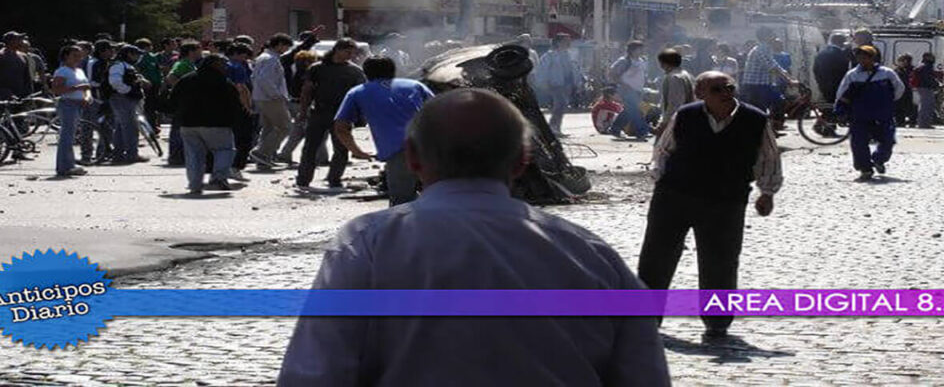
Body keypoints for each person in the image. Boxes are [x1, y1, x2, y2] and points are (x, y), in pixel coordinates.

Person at [277, 88, 670, 386]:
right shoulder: (590, 254)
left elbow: (314, 373)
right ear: (521, 161)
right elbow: (644, 374)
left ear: (412, 158)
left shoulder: (368, 244)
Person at [638, 71, 781, 341]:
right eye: (717, 89)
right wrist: (662, 184)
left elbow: (769, 158)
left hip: (725, 201)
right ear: (700, 94)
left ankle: (717, 321)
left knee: (721, 261)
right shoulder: (686, 115)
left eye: (729, 87)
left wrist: (767, 193)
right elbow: (663, 152)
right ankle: (645, 318)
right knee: (656, 258)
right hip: (675, 197)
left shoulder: (754, 119)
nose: (726, 93)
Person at [332, 56, 434, 205]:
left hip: (400, 151)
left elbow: (341, 128)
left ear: (365, 73)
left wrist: (357, 151)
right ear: (393, 71)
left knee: (402, 203)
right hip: (433, 147)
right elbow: (440, 109)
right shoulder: (415, 85)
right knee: (440, 197)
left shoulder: (358, 92)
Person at [294, 38, 365, 191]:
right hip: (319, 112)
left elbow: (361, 94)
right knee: (310, 148)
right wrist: (302, 111)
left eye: (352, 53)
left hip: (343, 115)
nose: (350, 55)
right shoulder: (317, 68)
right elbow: (307, 91)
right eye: (347, 52)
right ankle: (303, 180)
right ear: (337, 50)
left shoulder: (354, 71)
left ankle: (334, 179)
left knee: (341, 148)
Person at [168, 54, 243, 194]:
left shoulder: (186, 79)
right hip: (217, 124)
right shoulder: (223, 82)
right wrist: (237, 122)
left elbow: (173, 100)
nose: (226, 67)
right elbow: (235, 105)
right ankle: (218, 178)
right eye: (223, 64)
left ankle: (195, 184)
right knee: (224, 150)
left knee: (194, 155)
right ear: (215, 65)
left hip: (188, 124)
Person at [835, 46, 905, 181]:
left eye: (865, 57)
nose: (861, 60)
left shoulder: (887, 73)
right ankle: (865, 168)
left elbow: (899, 88)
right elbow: (841, 93)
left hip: (882, 114)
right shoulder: (852, 75)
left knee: (887, 140)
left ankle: (878, 159)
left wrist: (887, 103)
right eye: (859, 57)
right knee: (858, 142)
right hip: (860, 114)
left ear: (872, 58)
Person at [250, 33, 294, 169]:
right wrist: (276, 94)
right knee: (285, 127)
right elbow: (265, 79)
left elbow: (255, 77)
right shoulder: (270, 59)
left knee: (268, 128)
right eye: (286, 46)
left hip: (261, 97)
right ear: (280, 44)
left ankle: (264, 158)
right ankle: (261, 152)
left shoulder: (263, 57)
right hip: (271, 99)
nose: (286, 50)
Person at [50, 45, 92, 177]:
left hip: (79, 105)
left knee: (71, 136)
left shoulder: (79, 71)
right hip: (68, 104)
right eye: (75, 55)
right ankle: (64, 166)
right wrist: (76, 88)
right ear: (66, 56)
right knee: (66, 136)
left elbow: (86, 88)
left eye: (80, 55)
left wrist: (86, 97)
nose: (78, 58)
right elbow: (56, 90)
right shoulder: (62, 71)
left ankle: (70, 164)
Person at [277, 50, 324, 167]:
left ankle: (285, 154)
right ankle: (321, 158)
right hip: (302, 105)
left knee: (299, 131)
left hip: (294, 103)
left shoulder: (297, 71)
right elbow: (308, 92)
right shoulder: (307, 74)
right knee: (315, 131)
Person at [106, 45, 151, 164]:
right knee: (130, 128)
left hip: (126, 99)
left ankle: (118, 155)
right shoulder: (118, 65)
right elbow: (115, 82)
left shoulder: (127, 66)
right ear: (129, 54)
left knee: (121, 128)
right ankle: (132, 154)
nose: (138, 57)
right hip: (122, 99)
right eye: (136, 54)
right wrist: (128, 91)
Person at [739, 27, 794, 114]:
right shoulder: (761, 49)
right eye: (772, 34)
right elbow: (772, 68)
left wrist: (790, 78)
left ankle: (773, 124)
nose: (775, 36)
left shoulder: (767, 49)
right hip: (755, 86)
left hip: (764, 85)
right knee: (761, 111)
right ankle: (767, 125)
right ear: (766, 37)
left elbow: (777, 66)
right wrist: (789, 80)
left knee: (780, 101)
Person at [164, 41, 203, 165]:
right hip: (183, 102)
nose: (200, 53)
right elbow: (171, 77)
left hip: (189, 101)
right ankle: (176, 156)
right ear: (191, 52)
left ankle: (182, 155)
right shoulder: (183, 63)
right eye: (198, 50)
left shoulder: (190, 64)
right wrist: (182, 90)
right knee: (178, 129)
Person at [536, 33, 581, 137]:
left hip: (568, 84)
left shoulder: (569, 55)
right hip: (556, 84)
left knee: (562, 106)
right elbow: (542, 70)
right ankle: (553, 128)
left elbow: (576, 69)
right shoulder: (550, 55)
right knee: (559, 105)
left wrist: (578, 83)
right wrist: (543, 82)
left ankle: (556, 128)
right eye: (566, 40)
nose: (569, 42)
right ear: (559, 42)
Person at [225, 43, 256, 181]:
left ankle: (226, 167)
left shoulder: (223, 65)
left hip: (227, 107)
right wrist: (247, 107)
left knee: (230, 138)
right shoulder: (237, 67)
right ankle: (235, 167)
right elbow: (241, 88)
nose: (245, 58)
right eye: (244, 55)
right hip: (239, 108)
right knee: (244, 139)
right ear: (237, 53)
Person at [608, 41, 651, 140]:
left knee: (628, 111)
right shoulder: (624, 61)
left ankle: (615, 129)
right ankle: (642, 131)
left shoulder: (642, 60)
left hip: (638, 90)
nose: (642, 51)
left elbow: (642, 75)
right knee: (635, 111)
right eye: (639, 49)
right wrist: (623, 84)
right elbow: (612, 74)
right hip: (626, 90)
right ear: (632, 50)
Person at [0, 31, 33, 100]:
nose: (21, 42)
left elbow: (27, 77)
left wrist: (29, 93)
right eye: (18, 39)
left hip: (21, 94)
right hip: (2, 94)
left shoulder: (23, 57)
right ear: (11, 41)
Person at [655, 48, 696, 132]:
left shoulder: (674, 78)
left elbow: (675, 103)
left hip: (678, 122)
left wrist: (664, 122)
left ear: (664, 64)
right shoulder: (686, 75)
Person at [134, 38, 163, 134]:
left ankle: (153, 126)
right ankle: (147, 127)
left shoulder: (153, 57)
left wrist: (160, 81)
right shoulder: (139, 58)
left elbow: (158, 70)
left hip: (155, 85)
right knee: (146, 107)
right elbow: (137, 70)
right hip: (145, 85)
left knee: (153, 106)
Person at [813, 33, 851, 104]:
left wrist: (820, 83)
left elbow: (815, 70)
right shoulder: (841, 54)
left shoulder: (821, 53)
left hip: (824, 87)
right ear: (841, 42)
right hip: (839, 88)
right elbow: (844, 72)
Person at [912, 52, 941, 129]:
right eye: (932, 57)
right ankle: (924, 124)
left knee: (924, 105)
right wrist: (936, 84)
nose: (933, 58)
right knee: (927, 106)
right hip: (926, 87)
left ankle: (923, 123)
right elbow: (928, 78)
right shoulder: (927, 66)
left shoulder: (922, 65)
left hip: (921, 87)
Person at [893, 54, 917, 127]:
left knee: (910, 107)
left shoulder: (913, 70)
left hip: (909, 90)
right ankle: (900, 122)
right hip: (900, 90)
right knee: (899, 107)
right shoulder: (897, 70)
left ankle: (912, 121)